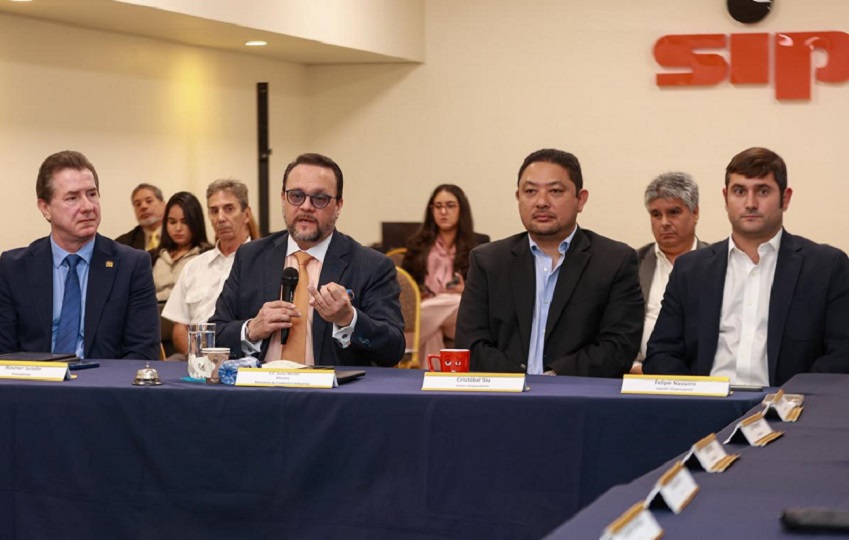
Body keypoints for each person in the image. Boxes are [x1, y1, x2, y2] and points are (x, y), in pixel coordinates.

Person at [644, 147, 849, 386]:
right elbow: (661, 353)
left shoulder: (826, 267)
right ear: (725, 198)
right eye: (739, 191)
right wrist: (695, 395)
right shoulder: (690, 270)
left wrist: (791, 400)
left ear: (785, 198)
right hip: (704, 401)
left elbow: (842, 354)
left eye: (763, 191)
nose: (750, 203)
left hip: (791, 404)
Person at [455, 148, 644, 376]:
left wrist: (553, 380)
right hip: (504, 393)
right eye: (530, 191)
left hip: (576, 393)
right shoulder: (488, 261)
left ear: (581, 200)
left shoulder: (614, 261)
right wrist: (520, 385)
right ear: (518, 198)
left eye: (555, 191)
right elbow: (470, 343)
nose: (541, 202)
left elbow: (619, 347)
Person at [211, 153, 405, 367]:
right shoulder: (250, 257)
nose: (306, 206)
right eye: (296, 196)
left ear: (339, 205)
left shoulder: (371, 265)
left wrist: (349, 319)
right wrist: (251, 330)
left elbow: (393, 350)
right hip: (260, 385)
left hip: (331, 387)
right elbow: (215, 335)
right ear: (283, 199)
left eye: (319, 198)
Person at [0, 150, 160, 359]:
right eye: (72, 198)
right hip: (36, 378)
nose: (87, 206)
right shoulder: (13, 268)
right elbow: (5, 353)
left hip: (105, 379)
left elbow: (142, 352)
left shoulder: (131, 266)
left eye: (92, 194)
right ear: (45, 208)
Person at [161, 179, 253, 357]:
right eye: (214, 211)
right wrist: (198, 360)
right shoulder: (194, 267)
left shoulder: (263, 263)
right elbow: (180, 327)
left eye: (229, 209)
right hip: (195, 358)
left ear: (246, 214)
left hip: (245, 358)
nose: (220, 218)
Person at [401, 184, 489, 367]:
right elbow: (406, 287)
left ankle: (405, 343)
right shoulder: (417, 245)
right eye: (438, 206)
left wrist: (465, 290)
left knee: (456, 301)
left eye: (450, 206)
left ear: (461, 209)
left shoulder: (479, 244)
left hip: (461, 318)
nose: (443, 212)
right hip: (430, 314)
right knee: (433, 331)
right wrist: (419, 293)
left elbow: (488, 289)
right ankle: (434, 379)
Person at [632, 172, 708, 374]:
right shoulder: (632, 264)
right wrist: (636, 369)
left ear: (695, 213)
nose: (664, 222)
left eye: (673, 212)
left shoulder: (716, 264)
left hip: (699, 377)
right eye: (656, 215)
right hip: (637, 376)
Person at [151, 192, 211, 302]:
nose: (178, 228)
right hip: (154, 311)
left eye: (185, 222)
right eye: (172, 222)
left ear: (196, 222)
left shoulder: (208, 256)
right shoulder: (152, 257)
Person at [115, 183, 166, 251]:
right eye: (138, 204)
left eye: (149, 201)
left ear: (163, 205)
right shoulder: (122, 245)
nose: (143, 207)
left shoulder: (178, 234)